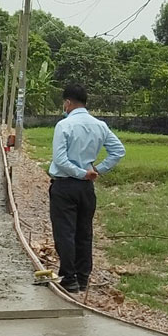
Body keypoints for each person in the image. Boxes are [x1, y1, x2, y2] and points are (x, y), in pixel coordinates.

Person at [48, 84, 125, 293]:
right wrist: (96, 170)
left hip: (65, 185)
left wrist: (82, 173)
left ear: (67, 102)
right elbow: (118, 151)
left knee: (65, 232)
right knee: (84, 232)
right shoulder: (99, 125)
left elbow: (60, 160)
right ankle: (83, 278)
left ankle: (69, 277)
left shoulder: (64, 125)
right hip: (86, 188)